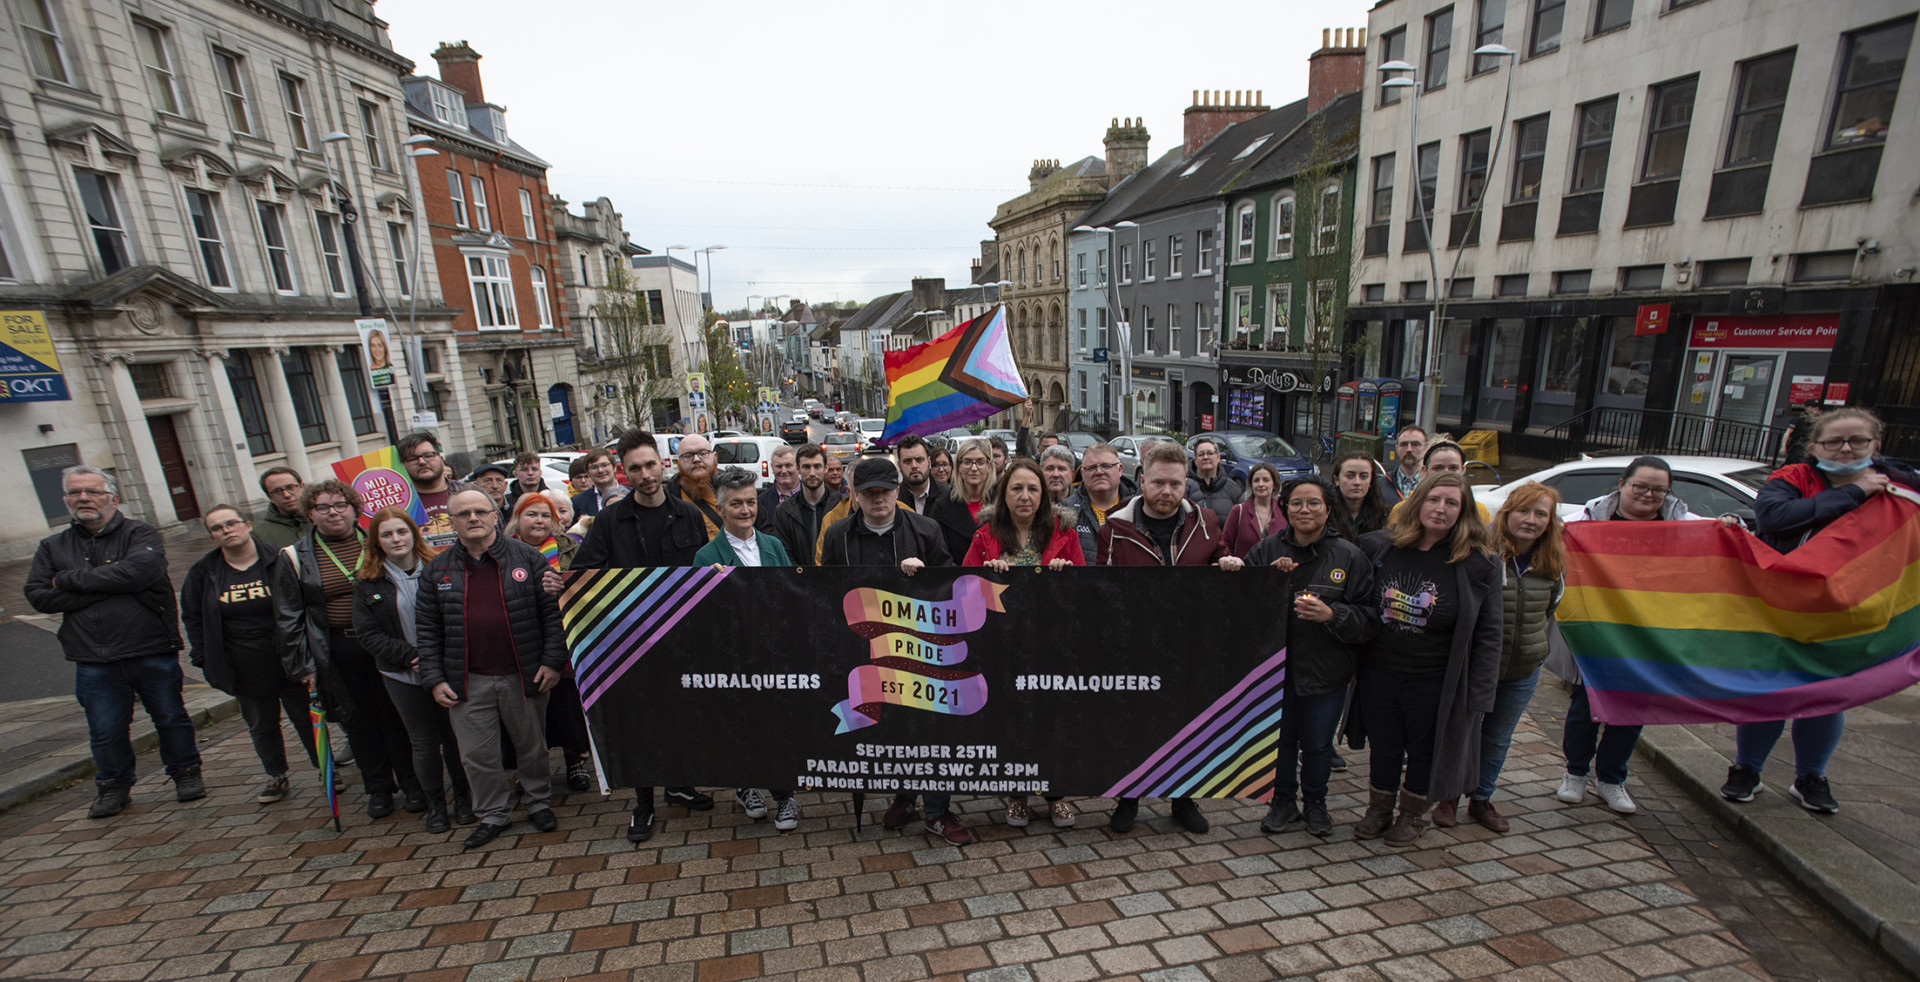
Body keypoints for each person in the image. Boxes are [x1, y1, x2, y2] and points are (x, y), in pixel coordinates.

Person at [1727, 408, 1920, 814]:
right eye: (1833, 441)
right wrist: (1856, 492)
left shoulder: (1902, 487)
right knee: (1771, 693)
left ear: (1876, 444)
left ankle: (1811, 776)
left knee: (1828, 697)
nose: (1845, 449)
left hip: (1854, 613)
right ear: (1814, 446)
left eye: (1857, 441)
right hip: (1784, 608)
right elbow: (1775, 518)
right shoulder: (1793, 478)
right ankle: (1747, 769)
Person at [27, 466, 202, 819]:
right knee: (105, 729)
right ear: (65, 499)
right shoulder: (52, 546)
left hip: (150, 647)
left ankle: (185, 773)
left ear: (112, 498)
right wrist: (111, 586)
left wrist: (68, 580)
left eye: (92, 491)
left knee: (170, 717)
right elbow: (38, 595)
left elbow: (140, 572)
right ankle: (113, 787)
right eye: (74, 492)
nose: (83, 498)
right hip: (93, 656)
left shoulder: (140, 534)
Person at [1556, 456, 1723, 814]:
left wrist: (1729, 528)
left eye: (1659, 490)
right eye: (1641, 487)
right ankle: (1575, 772)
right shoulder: (1587, 521)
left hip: (1652, 633)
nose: (1649, 495)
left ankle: (1611, 778)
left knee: (1633, 707)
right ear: (1622, 484)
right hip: (1598, 629)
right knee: (1586, 704)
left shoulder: (1682, 525)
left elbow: (1717, 541)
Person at [574, 429, 716, 843]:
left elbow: (703, 571)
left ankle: (679, 784)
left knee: (681, 716)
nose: (645, 474)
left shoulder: (688, 515)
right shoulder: (609, 521)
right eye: (635, 469)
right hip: (630, 642)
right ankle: (643, 803)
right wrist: (559, 584)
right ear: (625, 472)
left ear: (662, 463)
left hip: (680, 637)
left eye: (650, 465)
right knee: (640, 723)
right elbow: (583, 573)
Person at [1097, 441, 1245, 834]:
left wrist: (1227, 563)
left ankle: (1183, 798)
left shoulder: (1206, 522)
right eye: (1159, 482)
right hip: (1136, 646)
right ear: (1142, 480)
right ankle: (1129, 798)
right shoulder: (1114, 528)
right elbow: (1102, 587)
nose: (1167, 491)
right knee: (1133, 722)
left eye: (1176, 484)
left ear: (1186, 483)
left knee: (1187, 722)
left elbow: (1219, 560)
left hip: (1189, 644)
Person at [819, 458, 967, 844]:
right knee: (889, 725)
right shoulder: (837, 536)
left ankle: (937, 810)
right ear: (854, 496)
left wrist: (926, 575)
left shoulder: (926, 529)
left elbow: (949, 586)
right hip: (864, 647)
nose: (878, 499)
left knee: (929, 728)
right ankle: (905, 794)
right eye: (869, 493)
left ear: (897, 491)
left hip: (919, 648)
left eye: (884, 491)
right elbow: (827, 590)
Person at [1350, 472, 1501, 847]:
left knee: (1424, 751)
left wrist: (1480, 695)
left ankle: (1412, 815)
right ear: (1418, 503)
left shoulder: (1479, 563)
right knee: (1384, 746)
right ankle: (1379, 809)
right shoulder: (1380, 547)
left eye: (1451, 503)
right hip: (1380, 672)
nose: (1441, 508)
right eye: (1434, 499)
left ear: (1463, 511)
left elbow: (1489, 634)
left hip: (1436, 679)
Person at [417, 491, 567, 849]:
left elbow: (552, 614)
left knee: (532, 746)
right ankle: (493, 814)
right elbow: (427, 629)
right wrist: (434, 678)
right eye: (463, 513)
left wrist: (552, 662)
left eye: (480, 511)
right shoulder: (436, 569)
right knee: (476, 754)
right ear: (451, 522)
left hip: (524, 673)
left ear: (495, 516)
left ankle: (538, 803)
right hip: (468, 680)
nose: (473, 518)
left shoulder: (527, 557)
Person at [275, 479, 424, 818]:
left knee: (397, 716)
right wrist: (303, 665)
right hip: (338, 649)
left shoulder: (377, 541)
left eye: (340, 505)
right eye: (323, 507)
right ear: (310, 513)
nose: (333, 513)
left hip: (387, 643)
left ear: (355, 509)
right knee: (357, 720)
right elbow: (288, 615)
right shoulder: (294, 557)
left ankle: (412, 782)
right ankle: (378, 787)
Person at [1246, 476, 1376, 837]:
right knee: (1282, 742)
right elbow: (1242, 605)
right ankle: (1283, 802)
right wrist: (1267, 580)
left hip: (1326, 670)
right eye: (1297, 503)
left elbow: (1370, 618)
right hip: (1276, 670)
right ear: (1285, 508)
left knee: (1318, 745)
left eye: (1314, 503)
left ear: (1328, 509)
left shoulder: (1349, 556)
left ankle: (1316, 804)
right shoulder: (1266, 550)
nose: (1305, 510)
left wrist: (1333, 614)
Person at [1437, 481, 1565, 833]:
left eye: (1540, 514)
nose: (1531, 520)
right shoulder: (1482, 555)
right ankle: (1449, 796)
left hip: (1523, 669)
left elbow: (1549, 610)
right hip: (1479, 666)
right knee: (1464, 732)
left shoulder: (1552, 563)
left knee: (1498, 737)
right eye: (1523, 511)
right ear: (1507, 513)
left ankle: (1482, 798)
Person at [965, 459, 1084, 830]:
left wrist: (1066, 576)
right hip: (1003, 646)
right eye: (1016, 488)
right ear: (1003, 494)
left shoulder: (1065, 533)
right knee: (1011, 720)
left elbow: (1085, 590)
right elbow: (964, 591)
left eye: (1033, 489)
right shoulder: (985, 536)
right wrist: (987, 576)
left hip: (1051, 644)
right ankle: (1016, 794)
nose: (1025, 496)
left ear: (1044, 495)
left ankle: (1056, 794)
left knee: (1052, 719)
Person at [183, 505, 315, 807]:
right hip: (242, 663)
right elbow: (193, 618)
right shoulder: (203, 573)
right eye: (217, 528)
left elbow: (305, 603)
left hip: (289, 657)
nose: (226, 530)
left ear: (248, 524)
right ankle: (276, 774)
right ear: (212, 535)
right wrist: (204, 657)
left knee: (306, 717)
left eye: (231, 523)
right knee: (261, 723)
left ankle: (325, 769)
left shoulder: (280, 560)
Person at [352, 507, 473, 832]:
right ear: (376, 541)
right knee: (423, 742)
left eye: (401, 531)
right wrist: (411, 657)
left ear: (413, 534)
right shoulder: (366, 582)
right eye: (387, 534)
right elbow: (368, 634)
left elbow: (460, 615)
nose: (396, 539)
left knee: (454, 738)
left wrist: (439, 657)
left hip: (446, 669)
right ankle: (435, 803)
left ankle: (463, 797)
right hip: (402, 674)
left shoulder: (440, 569)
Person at [693, 468, 802, 831]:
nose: (745, 510)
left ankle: (784, 796)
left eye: (751, 502)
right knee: (741, 725)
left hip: (773, 653)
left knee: (775, 725)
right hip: (734, 657)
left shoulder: (772, 546)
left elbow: (789, 595)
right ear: (720, 509)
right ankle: (745, 785)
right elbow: (702, 615)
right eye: (736, 504)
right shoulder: (707, 556)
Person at [510, 493, 592, 792]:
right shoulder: (503, 552)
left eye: (546, 515)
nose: (539, 520)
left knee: (567, 708)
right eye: (531, 514)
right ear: (517, 519)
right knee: (527, 713)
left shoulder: (570, 548)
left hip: (564, 637)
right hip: (524, 639)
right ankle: (531, 770)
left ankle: (574, 762)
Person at [773, 444, 845, 565]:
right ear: (798, 469)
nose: (812, 473)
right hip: (798, 576)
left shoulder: (843, 504)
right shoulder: (784, 511)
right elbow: (785, 554)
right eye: (806, 467)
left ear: (825, 468)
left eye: (817, 466)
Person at [925, 438, 995, 561]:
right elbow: (940, 555)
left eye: (980, 462)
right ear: (959, 466)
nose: (974, 468)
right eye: (967, 462)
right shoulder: (942, 506)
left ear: (989, 466)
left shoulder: (1001, 503)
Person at [398, 433, 471, 550]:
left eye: (428, 455)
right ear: (403, 465)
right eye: (412, 458)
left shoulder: (471, 493)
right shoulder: (398, 504)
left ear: (441, 459)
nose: (422, 461)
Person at [1062, 443, 1132, 562]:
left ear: (1120, 469)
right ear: (1083, 473)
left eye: (1106, 466)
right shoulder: (1065, 511)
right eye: (1091, 467)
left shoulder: (1138, 509)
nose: (1099, 472)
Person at [1389, 443, 1490, 523]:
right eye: (1438, 468)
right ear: (1424, 471)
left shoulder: (1478, 511)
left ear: (1463, 471)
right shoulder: (1403, 510)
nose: (1446, 473)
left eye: (1453, 468)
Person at [665, 434, 724, 537]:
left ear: (715, 457)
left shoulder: (734, 487)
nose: (696, 459)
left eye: (703, 453)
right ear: (678, 463)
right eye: (688, 456)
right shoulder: (669, 499)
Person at [1223, 463, 1286, 558]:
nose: (1261, 484)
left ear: (1274, 484)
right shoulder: (1238, 511)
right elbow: (1225, 545)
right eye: (1256, 480)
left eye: (1266, 480)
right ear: (1251, 485)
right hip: (1245, 567)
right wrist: (1232, 562)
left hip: (1276, 567)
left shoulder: (1284, 510)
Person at [1332, 453, 1394, 539]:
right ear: (1336, 480)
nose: (1357, 482)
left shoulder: (1384, 516)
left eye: (1363, 476)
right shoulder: (1325, 514)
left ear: (1371, 480)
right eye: (1350, 476)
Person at [1185, 437, 1243, 527]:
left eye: (1210, 453)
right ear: (1195, 461)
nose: (1206, 457)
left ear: (1218, 457)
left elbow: (1241, 522)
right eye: (1201, 454)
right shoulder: (1185, 487)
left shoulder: (1233, 488)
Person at [254, 467, 309, 549]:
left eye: (290, 487)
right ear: (270, 497)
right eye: (277, 491)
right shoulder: (259, 534)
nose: (286, 495)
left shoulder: (323, 518)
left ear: (302, 487)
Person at [755, 444, 802, 532]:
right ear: (772, 468)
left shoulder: (812, 496)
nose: (783, 471)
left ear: (798, 467)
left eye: (788, 465)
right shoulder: (761, 502)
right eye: (779, 466)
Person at [570, 449, 627, 519]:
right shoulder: (578, 502)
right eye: (594, 467)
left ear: (614, 467)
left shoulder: (633, 493)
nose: (600, 470)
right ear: (588, 472)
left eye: (604, 465)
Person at [895, 435, 943, 516]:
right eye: (907, 461)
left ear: (929, 462)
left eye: (919, 460)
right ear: (899, 466)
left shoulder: (949, 497)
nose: (914, 466)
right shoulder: (893, 500)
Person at [1386, 426, 1428, 502]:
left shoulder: (1432, 484)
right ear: (1396, 449)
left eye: (1415, 444)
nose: (1409, 449)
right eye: (1404, 444)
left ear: (1426, 448)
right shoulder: (1382, 485)